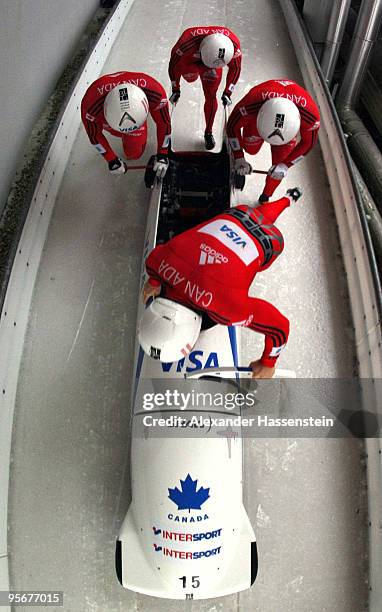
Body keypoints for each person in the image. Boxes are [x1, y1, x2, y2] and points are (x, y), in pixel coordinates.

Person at [139, 188, 303, 378]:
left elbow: (280, 326)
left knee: (262, 230)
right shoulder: (156, 263)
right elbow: (279, 329)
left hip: (268, 241)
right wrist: (153, 281)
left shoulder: (228, 309)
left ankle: (287, 199)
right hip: (235, 216)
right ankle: (288, 199)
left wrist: (268, 363)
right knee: (258, 217)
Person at [226, 79, 320, 202]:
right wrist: (239, 157)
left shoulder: (310, 116)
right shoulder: (252, 102)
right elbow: (232, 126)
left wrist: (286, 165)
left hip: (287, 135)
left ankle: (266, 195)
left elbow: (308, 143)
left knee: (278, 168)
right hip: (257, 121)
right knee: (251, 149)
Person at [81, 71, 171, 178]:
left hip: (134, 116)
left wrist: (162, 154)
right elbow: (94, 135)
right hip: (109, 119)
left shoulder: (156, 94)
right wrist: (112, 160)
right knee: (120, 136)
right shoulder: (90, 108)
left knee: (133, 153)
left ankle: (136, 128)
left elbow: (164, 123)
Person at [168, 26, 242, 150]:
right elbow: (173, 65)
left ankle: (208, 132)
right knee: (190, 77)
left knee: (211, 95)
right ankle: (198, 68)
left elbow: (236, 68)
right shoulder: (185, 43)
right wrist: (176, 88)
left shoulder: (233, 47)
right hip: (190, 62)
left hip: (212, 65)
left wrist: (228, 91)